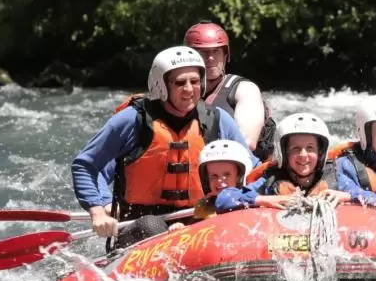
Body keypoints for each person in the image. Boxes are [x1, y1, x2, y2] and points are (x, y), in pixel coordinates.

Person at [71, 46, 253, 240]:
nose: (189, 89)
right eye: (180, 83)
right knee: (152, 226)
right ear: (161, 85)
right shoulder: (132, 120)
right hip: (141, 225)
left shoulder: (216, 119)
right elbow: (85, 165)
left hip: (198, 220)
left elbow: (251, 167)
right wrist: (97, 210)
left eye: (194, 81)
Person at [217, 112, 350, 210]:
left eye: (310, 148)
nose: (303, 155)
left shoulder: (335, 178)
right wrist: (264, 199)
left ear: (320, 152)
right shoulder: (271, 181)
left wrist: (345, 196)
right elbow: (224, 198)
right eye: (295, 149)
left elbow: (369, 197)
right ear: (284, 153)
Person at [184, 21, 275, 161]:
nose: (210, 58)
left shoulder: (245, 90)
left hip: (238, 173)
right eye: (203, 53)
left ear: (225, 55)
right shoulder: (181, 92)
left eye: (216, 51)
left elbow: (247, 142)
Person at [167, 139, 255, 231]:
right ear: (206, 178)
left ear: (239, 176)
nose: (220, 180)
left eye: (227, 174)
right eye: (214, 176)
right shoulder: (205, 206)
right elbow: (194, 231)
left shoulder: (249, 203)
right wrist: (182, 229)